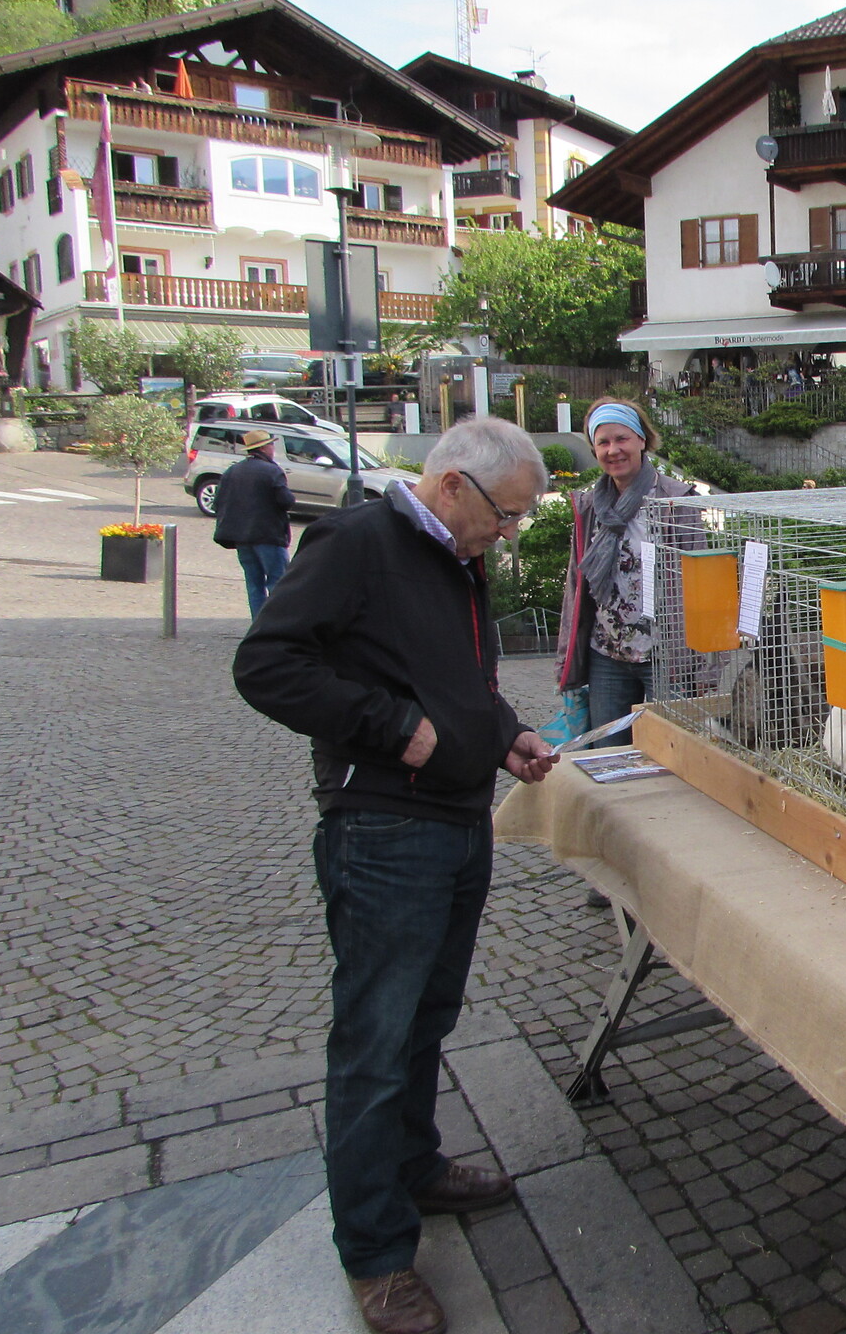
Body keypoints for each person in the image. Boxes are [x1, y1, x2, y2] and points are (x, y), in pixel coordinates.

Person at [233, 417, 560, 1334]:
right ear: (451, 483)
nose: (508, 534)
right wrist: (386, 725)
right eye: (505, 515)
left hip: (458, 822)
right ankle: (377, 1254)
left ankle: (414, 1166)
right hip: (383, 829)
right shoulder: (356, 543)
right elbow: (266, 665)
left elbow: (459, 679)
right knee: (374, 1044)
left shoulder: (458, 555)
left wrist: (504, 736)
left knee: (427, 1018)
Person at [558, 399, 697, 747]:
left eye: (622, 438)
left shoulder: (676, 502)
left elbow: (702, 583)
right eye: (603, 442)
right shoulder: (590, 505)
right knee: (608, 757)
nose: (613, 450)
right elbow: (576, 586)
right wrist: (566, 656)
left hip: (666, 657)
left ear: (642, 440)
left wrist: (709, 662)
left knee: (670, 755)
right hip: (607, 656)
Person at [213, 428, 295, 618]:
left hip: (242, 538)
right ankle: (277, 624)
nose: (273, 448)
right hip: (268, 536)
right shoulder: (272, 471)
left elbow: (218, 502)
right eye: (271, 444)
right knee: (278, 583)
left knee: (253, 584)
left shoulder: (233, 470)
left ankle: (258, 625)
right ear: (265, 448)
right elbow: (286, 501)